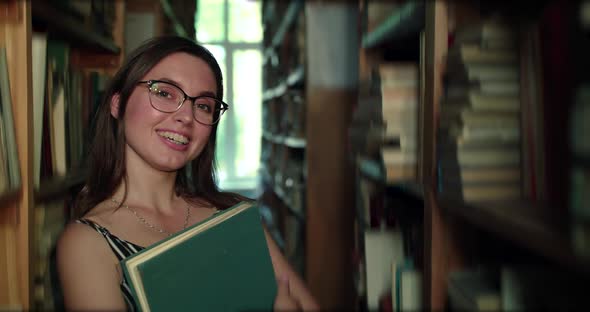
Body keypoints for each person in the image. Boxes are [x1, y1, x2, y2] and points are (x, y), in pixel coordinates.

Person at [56, 36, 319, 311]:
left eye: (204, 105)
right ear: (117, 104)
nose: (186, 116)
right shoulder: (87, 243)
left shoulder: (234, 216)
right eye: (165, 93)